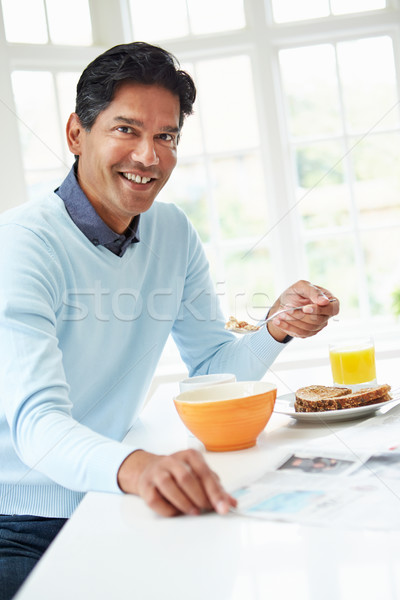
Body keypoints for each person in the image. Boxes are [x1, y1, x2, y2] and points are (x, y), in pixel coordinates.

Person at [0, 41, 339, 598]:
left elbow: (211, 364)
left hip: (112, 499)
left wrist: (275, 326)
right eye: (126, 130)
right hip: (19, 523)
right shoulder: (23, 246)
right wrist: (139, 468)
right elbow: (37, 424)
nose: (148, 156)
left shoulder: (173, 230)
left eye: (166, 136)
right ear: (75, 134)